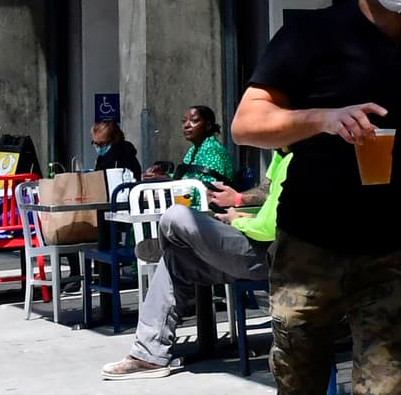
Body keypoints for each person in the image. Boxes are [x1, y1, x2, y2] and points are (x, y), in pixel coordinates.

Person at [231, 0, 401, 395]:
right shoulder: (309, 36)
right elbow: (246, 125)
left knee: (390, 388)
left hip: (392, 249)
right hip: (310, 245)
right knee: (299, 381)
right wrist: (322, 118)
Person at [100, 150, 292, 380]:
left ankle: (169, 243)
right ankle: (148, 355)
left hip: (272, 253)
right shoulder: (282, 152)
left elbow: (271, 228)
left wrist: (238, 220)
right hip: (253, 240)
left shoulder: (303, 158)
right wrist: (239, 201)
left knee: (176, 216)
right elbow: (267, 193)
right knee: (176, 261)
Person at [143, 106, 234, 188]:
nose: (186, 125)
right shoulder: (193, 150)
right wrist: (164, 176)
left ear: (208, 126)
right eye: (184, 121)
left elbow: (206, 190)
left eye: (194, 121)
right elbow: (187, 178)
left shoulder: (213, 150)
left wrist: (168, 181)